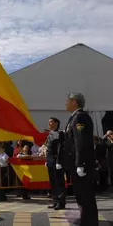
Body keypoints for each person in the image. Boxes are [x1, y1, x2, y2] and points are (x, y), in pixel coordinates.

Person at [64, 92, 98, 226]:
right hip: (75, 163)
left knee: (85, 195)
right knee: (81, 195)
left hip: (81, 164)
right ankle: (86, 221)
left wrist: (80, 163)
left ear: (74, 102)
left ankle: (89, 222)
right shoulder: (74, 118)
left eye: (68, 101)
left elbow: (80, 141)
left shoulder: (80, 117)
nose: (65, 103)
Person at [45, 117, 66, 210]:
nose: (49, 124)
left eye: (51, 122)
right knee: (53, 182)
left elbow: (60, 149)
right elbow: (48, 149)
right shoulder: (49, 134)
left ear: (56, 123)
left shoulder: (60, 134)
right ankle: (55, 201)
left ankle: (61, 203)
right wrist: (47, 160)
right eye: (49, 122)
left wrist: (58, 161)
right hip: (50, 161)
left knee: (59, 182)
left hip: (57, 162)